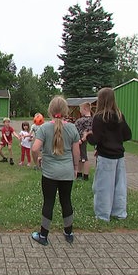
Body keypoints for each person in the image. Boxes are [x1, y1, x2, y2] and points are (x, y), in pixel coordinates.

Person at [30, 96, 80, 246]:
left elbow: (34, 148)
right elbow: (76, 152)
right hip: (66, 172)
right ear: (65, 111)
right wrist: (76, 167)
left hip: (49, 173)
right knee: (66, 201)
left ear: (50, 111)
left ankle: (43, 236)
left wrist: (37, 160)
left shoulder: (44, 128)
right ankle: (69, 233)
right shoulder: (72, 128)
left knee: (48, 202)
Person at [83, 88, 132, 222]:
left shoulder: (99, 117)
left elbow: (96, 139)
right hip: (119, 156)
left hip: (105, 157)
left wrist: (88, 136)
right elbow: (128, 135)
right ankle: (119, 212)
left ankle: (103, 215)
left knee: (103, 186)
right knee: (120, 185)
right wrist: (116, 138)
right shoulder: (119, 115)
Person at [74, 102, 93, 180]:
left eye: (81, 109)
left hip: (81, 140)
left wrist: (82, 139)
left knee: (84, 157)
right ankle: (79, 173)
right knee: (81, 156)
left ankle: (85, 175)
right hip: (85, 140)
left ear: (85, 109)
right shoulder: (93, 119)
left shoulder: (81, 121)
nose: (80, 111)